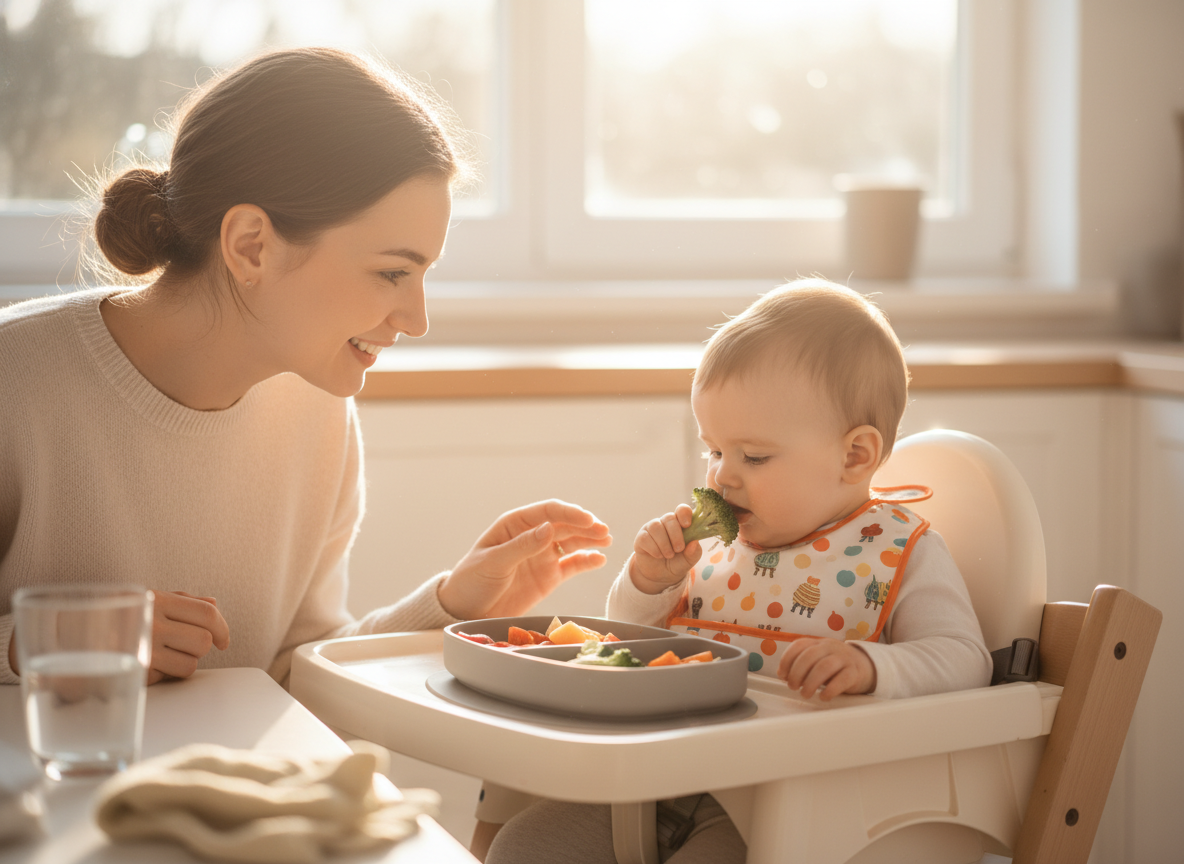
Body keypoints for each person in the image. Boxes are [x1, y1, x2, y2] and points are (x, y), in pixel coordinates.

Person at [0, 47, 611, 687]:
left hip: (230, 787)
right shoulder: (17, 382)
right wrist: (49, 640)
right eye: (392, 273)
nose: (416, 318)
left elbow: (296, 671)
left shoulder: (318, 408)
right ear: (250, 246)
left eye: (422, 275)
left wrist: (454, 606)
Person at [484, 279, 991, 864]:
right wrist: (652, 583)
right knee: (520, 847)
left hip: (782, 807)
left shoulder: (898, 551)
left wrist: (870, 665)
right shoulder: (724, 544)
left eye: (752, 456)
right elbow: (626, 638)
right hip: (656, 779)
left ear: (855, 456)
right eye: (714, 450)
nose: (722, 477)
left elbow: (964, 659)